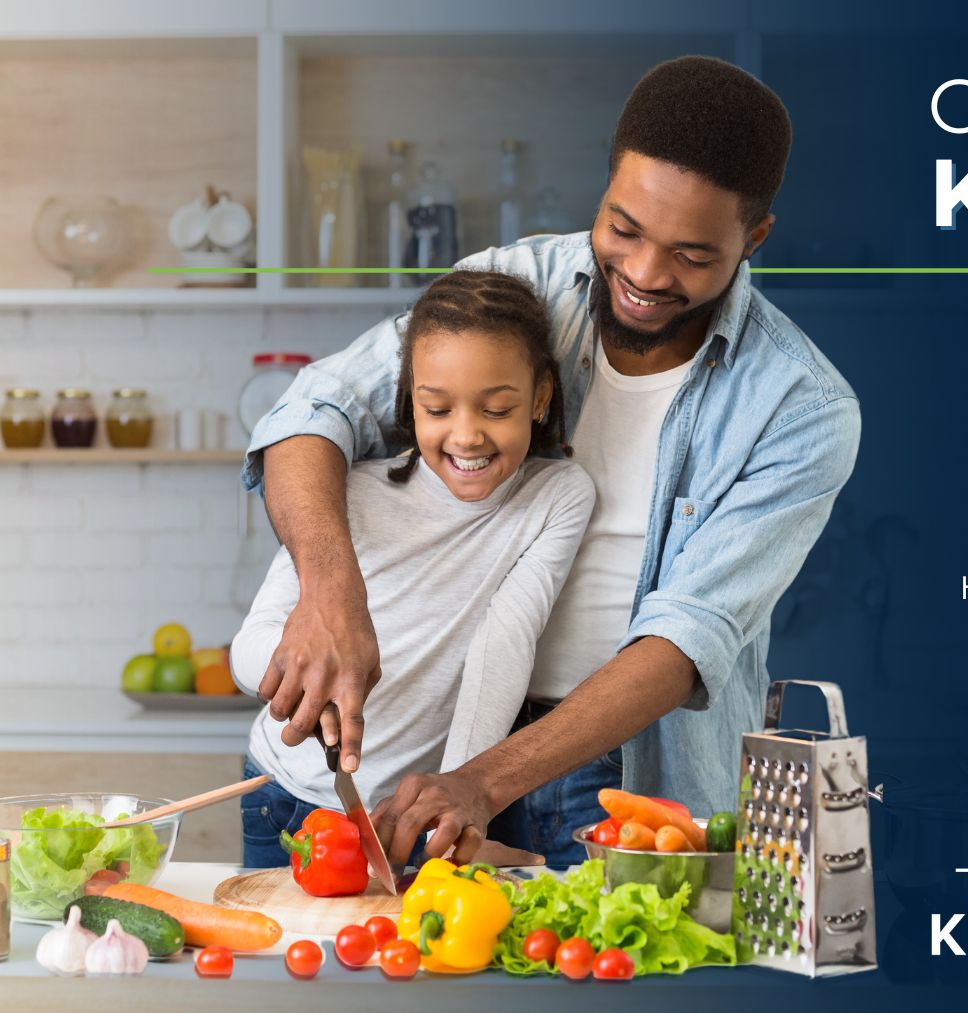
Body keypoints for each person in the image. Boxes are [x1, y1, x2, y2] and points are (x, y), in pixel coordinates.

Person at [239, 55, 860, 867]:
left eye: (691, 255)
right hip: (441, 746)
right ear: (607, 183)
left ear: (755, 238)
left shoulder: (801, 406)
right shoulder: (514, 285)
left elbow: (686, 639)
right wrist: (329, 592)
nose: (644, 274)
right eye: (624, 229)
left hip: (621, 782)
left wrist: (482, 779)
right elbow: (313, 412)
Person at [231, 271, 594, 867]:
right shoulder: (350, 491)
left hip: (407, 815)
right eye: (437, 408)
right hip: (284, 797)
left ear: (540, 397)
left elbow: (505, 645)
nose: (467, 435)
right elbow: (248, 649)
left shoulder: (557, 497)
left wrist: (460, 798)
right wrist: (305, 681)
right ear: (409, 400)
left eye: (497, 408)